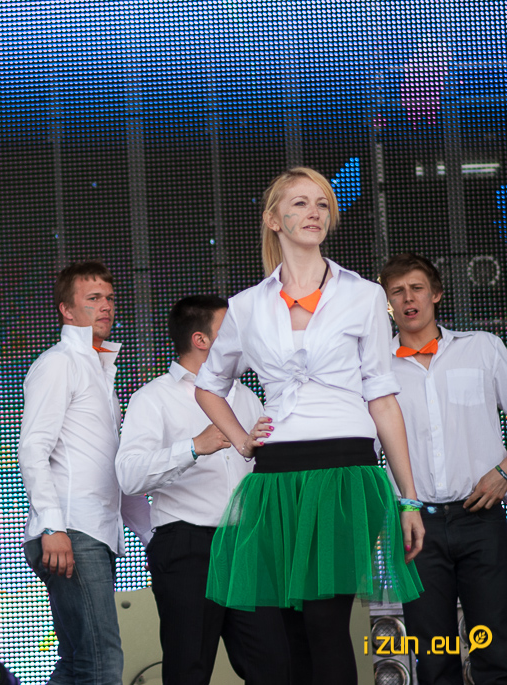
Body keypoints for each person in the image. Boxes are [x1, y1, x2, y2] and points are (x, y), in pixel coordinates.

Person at [193, 167, 425, 685]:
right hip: (276, 476)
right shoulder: (247, 305)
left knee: (325, 623)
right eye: (299, 203)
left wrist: (409, 499)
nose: (313, 212)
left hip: (345, 471)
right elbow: (208, 385)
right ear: (274, 219)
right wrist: (242, 440)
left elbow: (382, 396)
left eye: (322, 203)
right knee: (288, 630)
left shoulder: (363, 295)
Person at [116, 294, 289, 685]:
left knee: (275, 666)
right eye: (233, 330)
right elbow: (128, 475)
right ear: (201, 340)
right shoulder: (153, 397)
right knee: (188, 669)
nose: (245, 338)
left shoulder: (249, 397)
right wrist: (193, 447)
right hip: (187, 545)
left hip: (248, 545)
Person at [16, 260, 152, 685]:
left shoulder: (100, 370)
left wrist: (153, 536)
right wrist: (52, 526)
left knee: (77, 663)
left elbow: (111, 469)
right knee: (101, 662)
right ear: (67, 310)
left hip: (92, 531)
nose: (106, 306)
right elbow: (33, 448)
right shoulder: (59, 363)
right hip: (72, 530)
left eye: (109, 298)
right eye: (93, 298)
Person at [380, 252, 507, 685]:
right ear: (388, 305)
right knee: (433, 656)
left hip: (481, 518)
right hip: (415, 525)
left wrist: (504, 472)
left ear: (435, 294)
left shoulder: (482, 347)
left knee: (495, 649)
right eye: (397, 292)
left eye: (416, 288)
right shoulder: (374, 368)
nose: (408, 298)